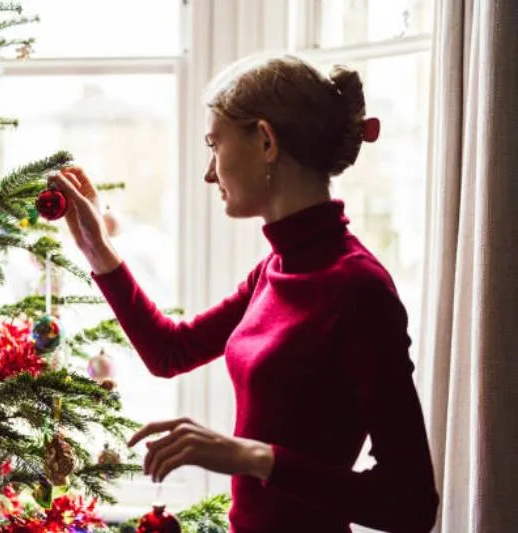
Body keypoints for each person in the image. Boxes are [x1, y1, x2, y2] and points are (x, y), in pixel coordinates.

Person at [49, 55, 439, 533]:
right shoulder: (273, 270)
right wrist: (98, 250)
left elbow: (412, 503)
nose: (209, 174)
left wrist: (251, 456)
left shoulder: (358, 289)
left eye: (215, 145)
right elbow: (169, 352)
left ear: (266, 141)